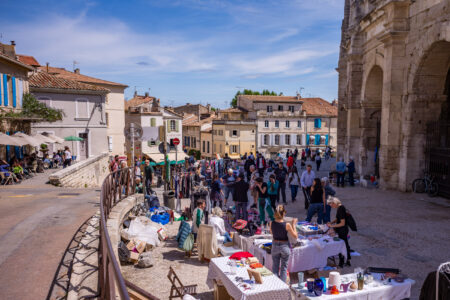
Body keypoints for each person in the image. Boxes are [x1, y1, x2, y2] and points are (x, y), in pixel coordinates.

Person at [270, 205, 298, 283]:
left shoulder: (271, 223)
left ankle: (275, 285)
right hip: (284, 246)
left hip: (275, 245)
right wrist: (294, 225)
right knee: (283, 268)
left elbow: (272, 233)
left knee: (275, 267)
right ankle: (282, 286)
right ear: (283, 214)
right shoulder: (287, 225)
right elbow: (295, 236)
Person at [327, 197, 351, 267]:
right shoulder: (341, 207)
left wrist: (332, 226)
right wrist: (332, 222)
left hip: (342, 230)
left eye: (331, 205)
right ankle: (347, 260)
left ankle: (342, 262)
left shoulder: (340, 209)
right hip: (343, 230)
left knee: (342, 245)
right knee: (345, 244)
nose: (331, 206)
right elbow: (338, 218)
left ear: (334, 203)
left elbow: (342, 223)